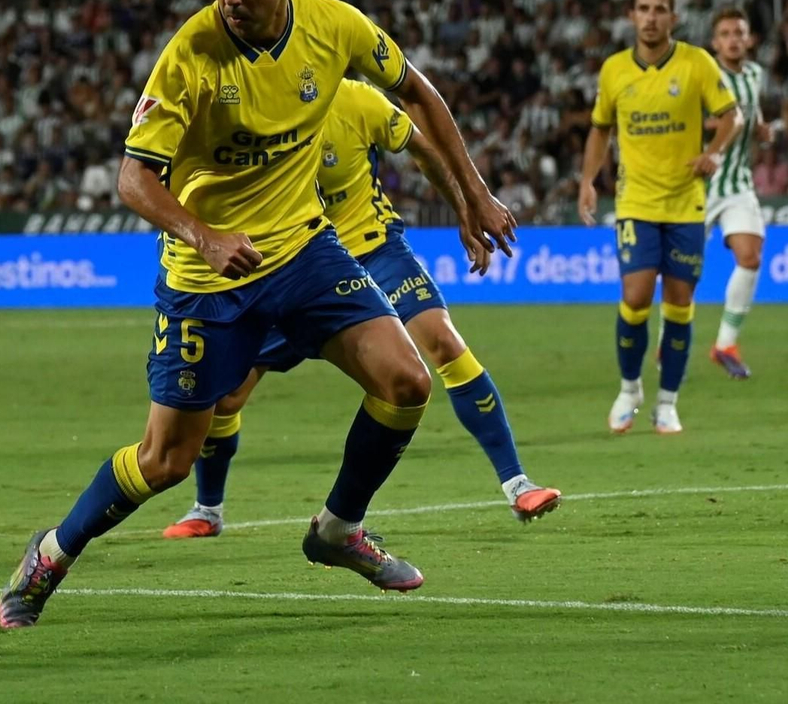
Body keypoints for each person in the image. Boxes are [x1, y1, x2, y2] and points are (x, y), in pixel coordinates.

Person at [0, 0, 514, 629]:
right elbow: (134, 179)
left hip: (303, 250)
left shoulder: (336, 27)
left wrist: (476, 193)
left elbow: (420, 93)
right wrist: (204, 235)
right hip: (209, 280)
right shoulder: (191, 56)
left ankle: (338, 531)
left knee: (405, 382)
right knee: (165, 461)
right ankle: (50, 553)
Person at [162, 79, 560, 541]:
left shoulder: (357, 100)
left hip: (373, 250)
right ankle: (207, 509)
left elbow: (424, 148)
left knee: (444, 342)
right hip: (291, 266)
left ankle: (517, 483)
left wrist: (466, 207)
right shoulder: (254, 107)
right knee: (227, 395)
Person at [578, 0, 738, 436]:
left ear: (674, 16)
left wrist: (714, 153)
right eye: (643, 8)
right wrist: (588, 180)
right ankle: (630, 389)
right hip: (636, 202)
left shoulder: (696, 63)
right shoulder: (614, 71)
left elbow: (731, 116)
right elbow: (599, 128)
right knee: (635, 297)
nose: (650, 17)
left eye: (659, 9)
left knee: (680, 302)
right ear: (632, 15)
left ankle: (667, 402)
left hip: (686, 203)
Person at [704, 7, 770, 378]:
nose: (733, 38)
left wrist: (761, 129)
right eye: (726, 33)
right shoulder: (703, 73)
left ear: (748, 39)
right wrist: (723, 123)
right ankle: (669, 342)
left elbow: (754, 115)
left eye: (739, 32)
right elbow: (689, 119)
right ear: (715, 43)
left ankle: (725, 343)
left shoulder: (756, 75)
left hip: (737, 183)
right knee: (681, 272)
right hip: (696, 184)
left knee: (750, 256)